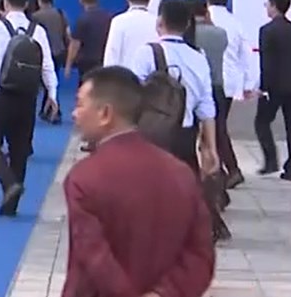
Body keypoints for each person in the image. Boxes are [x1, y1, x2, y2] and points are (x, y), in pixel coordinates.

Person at [61, 66, 216, 297]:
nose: (75, 113)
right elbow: (200, 254)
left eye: (80, 104)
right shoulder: (181, 173)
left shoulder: (85, 178)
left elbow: (94, 257)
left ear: (105, 113)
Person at [122, 0, 229, 242]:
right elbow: (206, 106)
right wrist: (211, 148)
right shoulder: (198, 56)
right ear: (188, 24)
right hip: (184, 135)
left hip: (151, 133)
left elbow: (131, 95)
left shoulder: (146, 53)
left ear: (160, 21)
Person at [0, 0, 59, 217]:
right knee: (20, 148)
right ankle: (12, 205)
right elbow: (47, 65)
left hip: (1, 94)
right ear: (27, 4)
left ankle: (9, 184)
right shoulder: (37, 30)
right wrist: (52, 94)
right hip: (28, 96)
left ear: (4, 3)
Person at [204, 0, 254, 188]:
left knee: (216, 128)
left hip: (211, 79)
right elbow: (246, 54)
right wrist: (248, 83)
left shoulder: (207, 21)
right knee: (218, 125)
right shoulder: (235, 23)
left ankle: (231, 169)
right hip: (229, 82)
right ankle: (222, 169)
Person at [255, 0, 291, 180]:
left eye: (267, 4)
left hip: (275, 85)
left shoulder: (267, 31)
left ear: (274, 5)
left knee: (262, 121)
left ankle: (271, 161)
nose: (266, 8)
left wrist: (263, 87)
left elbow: (266, 62)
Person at [102, 0, 156, 91]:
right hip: (151, 82)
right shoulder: (157, 22)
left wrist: (108, 83)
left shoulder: (119, 21)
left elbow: (112, 53)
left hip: (125, 83)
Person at [66, 0, 111, 77]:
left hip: (86, 63)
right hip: (104, 60)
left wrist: (68, 65)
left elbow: (75, 44)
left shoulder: (83, 19)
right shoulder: (108, 17)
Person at [32, 0, 71, 92]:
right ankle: (52, 98)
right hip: (58, 50)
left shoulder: (35, 16)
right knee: (54, 78)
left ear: (39, 0)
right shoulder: (61, 13)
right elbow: (68, 33)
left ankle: (48, 99)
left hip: (41, 52)